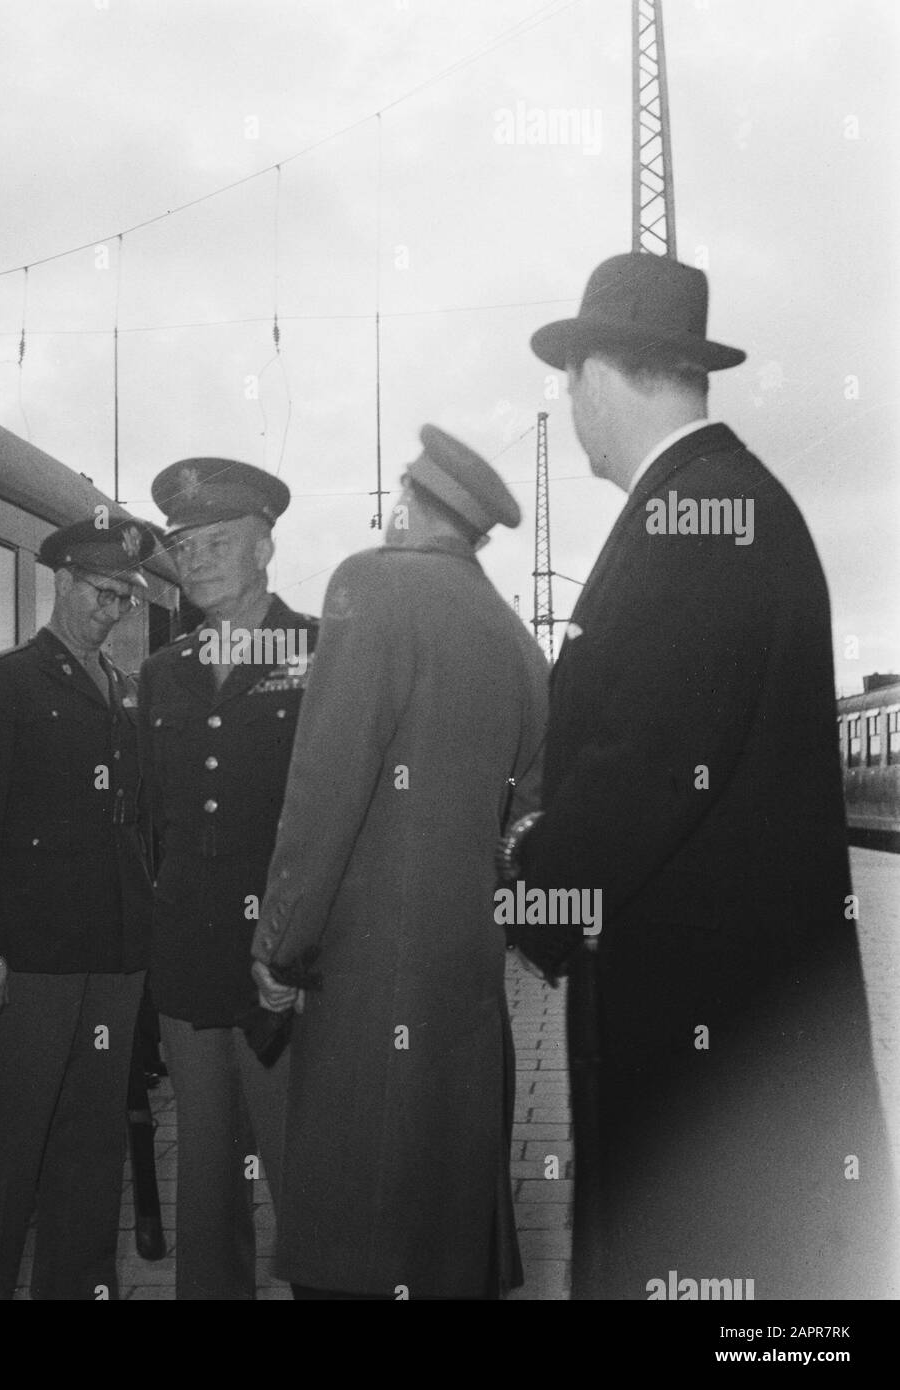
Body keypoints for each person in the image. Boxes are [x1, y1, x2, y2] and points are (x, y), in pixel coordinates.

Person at [503, 252, 895, 1298]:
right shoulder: (709, 502)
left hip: (706, 1061)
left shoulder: (699, 520)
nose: (568, 405)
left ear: (596, 375)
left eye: (567, 379)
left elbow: (642, 770)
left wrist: (529, 886)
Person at [249, 426, 548, 1300]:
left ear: (406, 504)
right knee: (440, 1247)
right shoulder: (518, 642)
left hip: (364, 984)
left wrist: (277, 942)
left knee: (353, 1248)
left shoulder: (369, 586)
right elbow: (527, 831)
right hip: (463, 990)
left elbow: (323, 790)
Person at [0, 517, 155, 1300]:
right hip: (28, 959)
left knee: (93, 1146)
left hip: (113, 955)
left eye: (126, 599)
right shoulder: (1, 686)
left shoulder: (124, 693)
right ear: (62, 582)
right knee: (8, 1147)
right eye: (103, 593)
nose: (114, 612)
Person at [138, 458, 318, 1299]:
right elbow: (148, 818)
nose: (198, 558)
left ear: (264, 548)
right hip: (189, 954)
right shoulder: (162, 668)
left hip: (289, 961)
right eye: (185, 544)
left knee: (305, 1176)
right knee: (206, 1178)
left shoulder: (321, 653)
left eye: (219, 541)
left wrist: (307, 944)